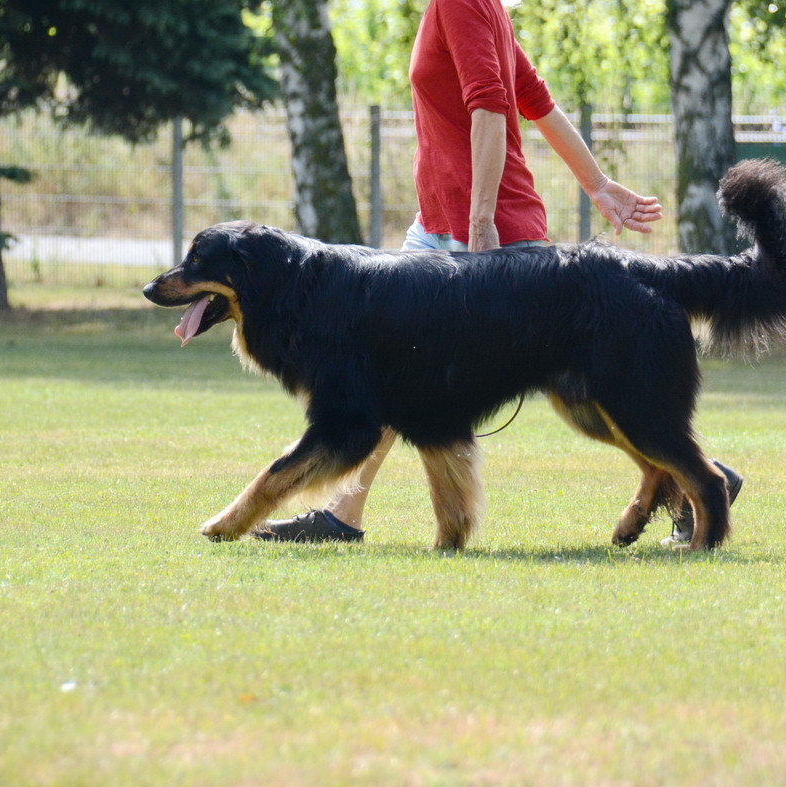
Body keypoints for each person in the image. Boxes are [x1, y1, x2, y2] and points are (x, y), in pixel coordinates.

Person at [256, 0, 739, 546]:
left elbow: (491, 107)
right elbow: (536, 102)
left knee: (582, 380)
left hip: (482, 231)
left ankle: (693, 476)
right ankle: (342, 517)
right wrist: (597, 185)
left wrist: (482, 221)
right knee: (388, 371)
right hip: (439, 226)